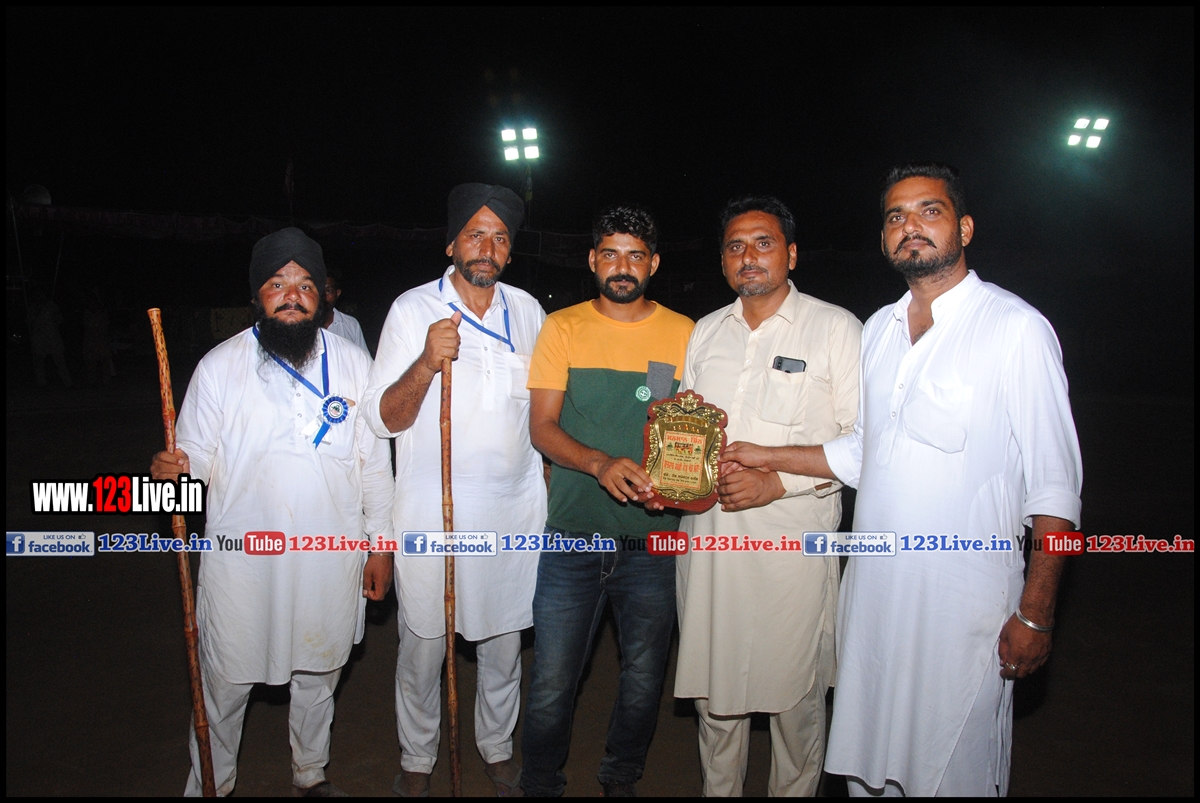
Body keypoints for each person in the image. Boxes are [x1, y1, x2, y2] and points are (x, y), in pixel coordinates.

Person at [723, 164, 1083, 796]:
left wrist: (1036, 613)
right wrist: (766, 455)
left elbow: (1055, 488)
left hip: (963, 609)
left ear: (964, 228)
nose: (910, 226)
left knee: (954, 771)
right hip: (874, 603)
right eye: (895, 216)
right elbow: (866, 452)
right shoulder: (880, 331)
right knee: (870, 768)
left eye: (929, 211)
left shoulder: (1014, 327)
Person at [150, 227, 395, 797]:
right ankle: (211, 784)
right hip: (243, 562)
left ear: (322, 295)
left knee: (320, 673)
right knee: (225, 682)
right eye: (278, 284)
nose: (292, 295)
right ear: (257, 295)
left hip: (330, 555)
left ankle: (310, 774)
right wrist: (174, 472)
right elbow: (197, 460)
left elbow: (374, 466)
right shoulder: (219, 365)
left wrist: (380, 545)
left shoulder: (355, 363)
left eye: (305, 284)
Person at [361, 183, 546, 798]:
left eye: (500, 238)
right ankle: (418, 756)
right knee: (422, 645)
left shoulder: (529, 312)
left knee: (503, 644)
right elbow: (382, 419)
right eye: (475, 234)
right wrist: (424, 362)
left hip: (513, 513)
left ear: (510, 251)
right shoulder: (412, 309)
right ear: (451, 244)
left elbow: (542, 416)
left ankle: (497, 748)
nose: (487, 248)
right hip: (430, 514)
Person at [674, 196, 861, 796]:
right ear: (723, 261)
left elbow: (863, 442)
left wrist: (778, 481)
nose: (748, 256)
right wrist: (673, 479)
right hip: (709, 545)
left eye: (763, 243)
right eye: (735, 246)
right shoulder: (706, 331)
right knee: (715, 699)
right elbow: (688, 431)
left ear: (792, 254)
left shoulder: (836, 328)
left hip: (790, 550)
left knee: (794, 703)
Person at [521, 205, 694, 797]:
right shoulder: (562, 327)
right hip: (573, 535)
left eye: (636, 255)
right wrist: (598, 464)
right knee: (552, 680)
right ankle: (540, 783)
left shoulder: (687, 332)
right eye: (611, 254)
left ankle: (621, 776)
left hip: (656, 542)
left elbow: (694, 433)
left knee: (644, 678)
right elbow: (541, 428)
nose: (623, 267)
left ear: (654, 264)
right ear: (593, 260)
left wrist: (680, 483)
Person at [322, 267, 371, 354]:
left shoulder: (351, 325)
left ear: (337, 293)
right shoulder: (305, 325)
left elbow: (363, 358)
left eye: (329, 291)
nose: (323, 296)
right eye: (319, 291)